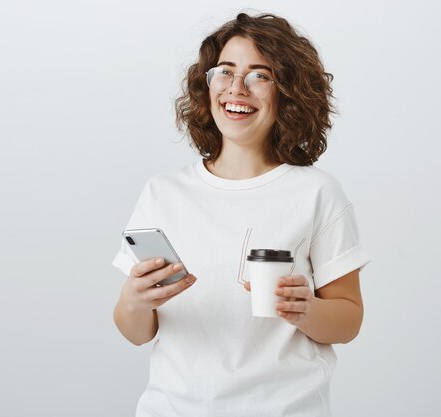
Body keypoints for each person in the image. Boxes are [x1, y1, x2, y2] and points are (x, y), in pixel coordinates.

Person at [111, 12, 371, 417]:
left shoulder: (317, 192)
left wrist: (306, 310)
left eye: (259, 75)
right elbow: (136, 332)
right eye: (225, 71)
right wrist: (134, 300)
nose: (236, 88)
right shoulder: (162, 193)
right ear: (207, 83)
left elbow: (348, 320)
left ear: (288, 90)